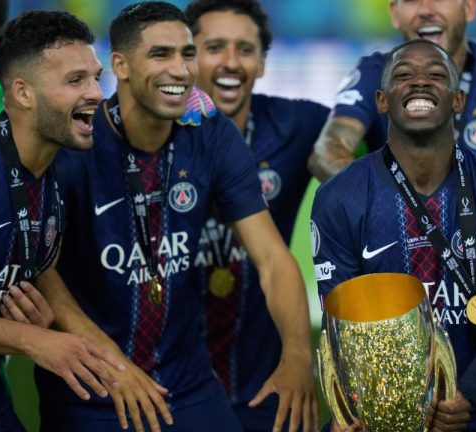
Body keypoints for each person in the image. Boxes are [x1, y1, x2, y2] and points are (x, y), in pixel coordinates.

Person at [33, 3, 316, 432]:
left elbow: (273, 259)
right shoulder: (76, 139)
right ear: (121, 65)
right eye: (161, 55)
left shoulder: (213, 134)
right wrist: (115, 368)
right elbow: (43, 270)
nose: (181, 70)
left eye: (187, 54)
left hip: (188, 387)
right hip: (90, 386)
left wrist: (297, 355)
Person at [311, 38, 476, 431]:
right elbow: (342, 335)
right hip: (375, 408)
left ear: (457, 101)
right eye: (402, 75)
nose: (418, 82)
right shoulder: (339, 198)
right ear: (381, 101)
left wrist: (462, 398)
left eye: (435, 75)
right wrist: (383, 410)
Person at [184, 0, 330, 430]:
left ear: (263, 62)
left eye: (245, 49)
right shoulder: (156, 133)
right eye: (214, 47)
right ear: (187, 57)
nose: (231, 62)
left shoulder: (299, 124)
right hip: (176, 384)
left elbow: (389, 140)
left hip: (270, 385)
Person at [0, 9, 129, 431]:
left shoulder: (55, 173)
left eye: (95, 77)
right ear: (23, 93)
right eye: (75, 81)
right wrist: (33, 340)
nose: (97, 94)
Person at [308, 0, 476, 202]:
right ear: (395, 13)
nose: (426, 10)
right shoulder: (374, 73)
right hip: (397, 257)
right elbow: (326, 151)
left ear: (469, 7)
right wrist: (393, 204)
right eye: (411, 0)